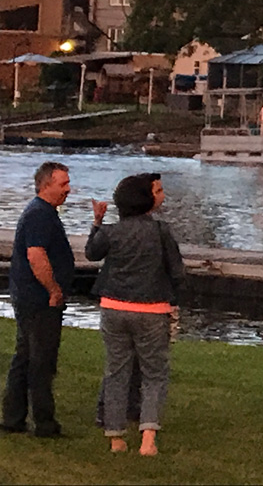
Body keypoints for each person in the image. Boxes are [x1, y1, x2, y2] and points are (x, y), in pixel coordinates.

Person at [85, 173, 183, 457]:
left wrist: (97, 222)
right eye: (159, 190)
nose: (162, 195)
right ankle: (148, 438)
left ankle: (115, 437)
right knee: (154, 374)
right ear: (145, 198)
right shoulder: (161, 231)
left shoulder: (113, 232)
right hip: (152, 309)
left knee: (116, 371)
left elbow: (92, 253)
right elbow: (177, 272)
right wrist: (175, 299)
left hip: (114, 307)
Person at [3, 161, 75, 438]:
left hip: (28, 296)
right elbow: (36, 255)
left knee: (24, 357)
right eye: (63, 184)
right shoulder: (40, 215)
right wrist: (54, 289)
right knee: (42, 361)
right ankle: (44, 422)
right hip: (39, 299)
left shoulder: (44, 213)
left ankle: (13, 416)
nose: (68, 189)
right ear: (46, 184)